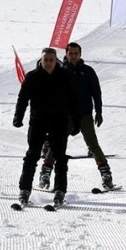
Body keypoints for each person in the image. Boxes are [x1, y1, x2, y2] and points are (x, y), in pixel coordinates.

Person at [38, 42, 116, 191]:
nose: (73, 56)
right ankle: (45, 173)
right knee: (57, 143)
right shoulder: (60, 71)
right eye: (71, 53)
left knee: (92, 144)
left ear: (80, 54)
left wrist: (99, 111)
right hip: (65, 115)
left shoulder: (88, 71)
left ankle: (106, 174)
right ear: (66, 54)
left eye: (76, 53)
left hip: (84, 114)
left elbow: (96, 92)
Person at [13, 47, 78, 207]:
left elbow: (73, 101)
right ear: (41, 61)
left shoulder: (65, 76)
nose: (48, 63)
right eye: (46, 60)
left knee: (60, 156)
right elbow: (23, 98)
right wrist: (18, 117)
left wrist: (76, 122)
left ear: (56, 60)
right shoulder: (32, 77)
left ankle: (60, 190)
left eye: (51, 60)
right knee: (32, 155)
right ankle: (24, 190)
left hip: (59, 121)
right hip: (38, 121)